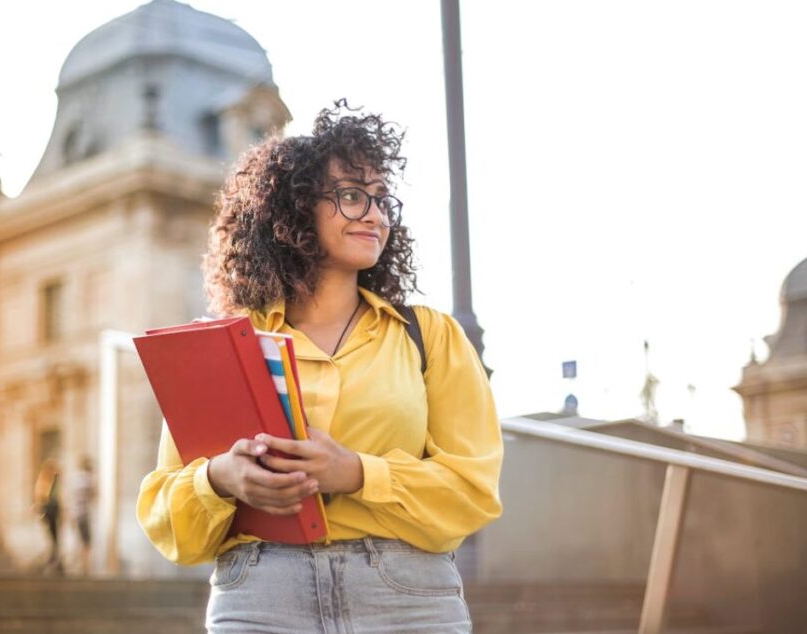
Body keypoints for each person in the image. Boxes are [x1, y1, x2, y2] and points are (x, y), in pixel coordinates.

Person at [137, 101, 503, 633]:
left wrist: (355, 472)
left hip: (407, 598)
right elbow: (167, 516)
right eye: (352, 196)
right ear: (295, 209)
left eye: (381, 200)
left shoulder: (430, 336)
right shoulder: (227, 348)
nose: (375, 215)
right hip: (261, 598)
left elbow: (473, 491)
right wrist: (221, 478)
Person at [33, 458, 63, 574]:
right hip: (49, 510)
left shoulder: (53, 481)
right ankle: (52, 557)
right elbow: (41, 497)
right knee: (51, 536)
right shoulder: (45, 481)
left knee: (54, 536)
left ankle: (54, 556)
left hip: (53, 511)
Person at [71, 456, 97, 576]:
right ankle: (85, 566)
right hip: (84, 514)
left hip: (76, 513)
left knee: (81, 540)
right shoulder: (88, 479)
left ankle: (82, 564)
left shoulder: (76, 479)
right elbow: (94, 495)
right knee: (86, 541)